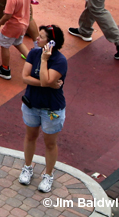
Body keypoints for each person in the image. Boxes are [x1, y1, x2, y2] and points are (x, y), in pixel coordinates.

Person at [20, 25, 68, 193]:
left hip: (52, 109)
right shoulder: (33, 53)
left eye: (41, 37)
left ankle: (48, 175)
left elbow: (48, 80)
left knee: (50, 143)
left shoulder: (60, 61)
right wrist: (46, 83)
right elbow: (25, 77)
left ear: (52, 42)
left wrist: (44, 60)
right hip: (31, 104)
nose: (37, 39)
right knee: (30, 136)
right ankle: (27, 167)